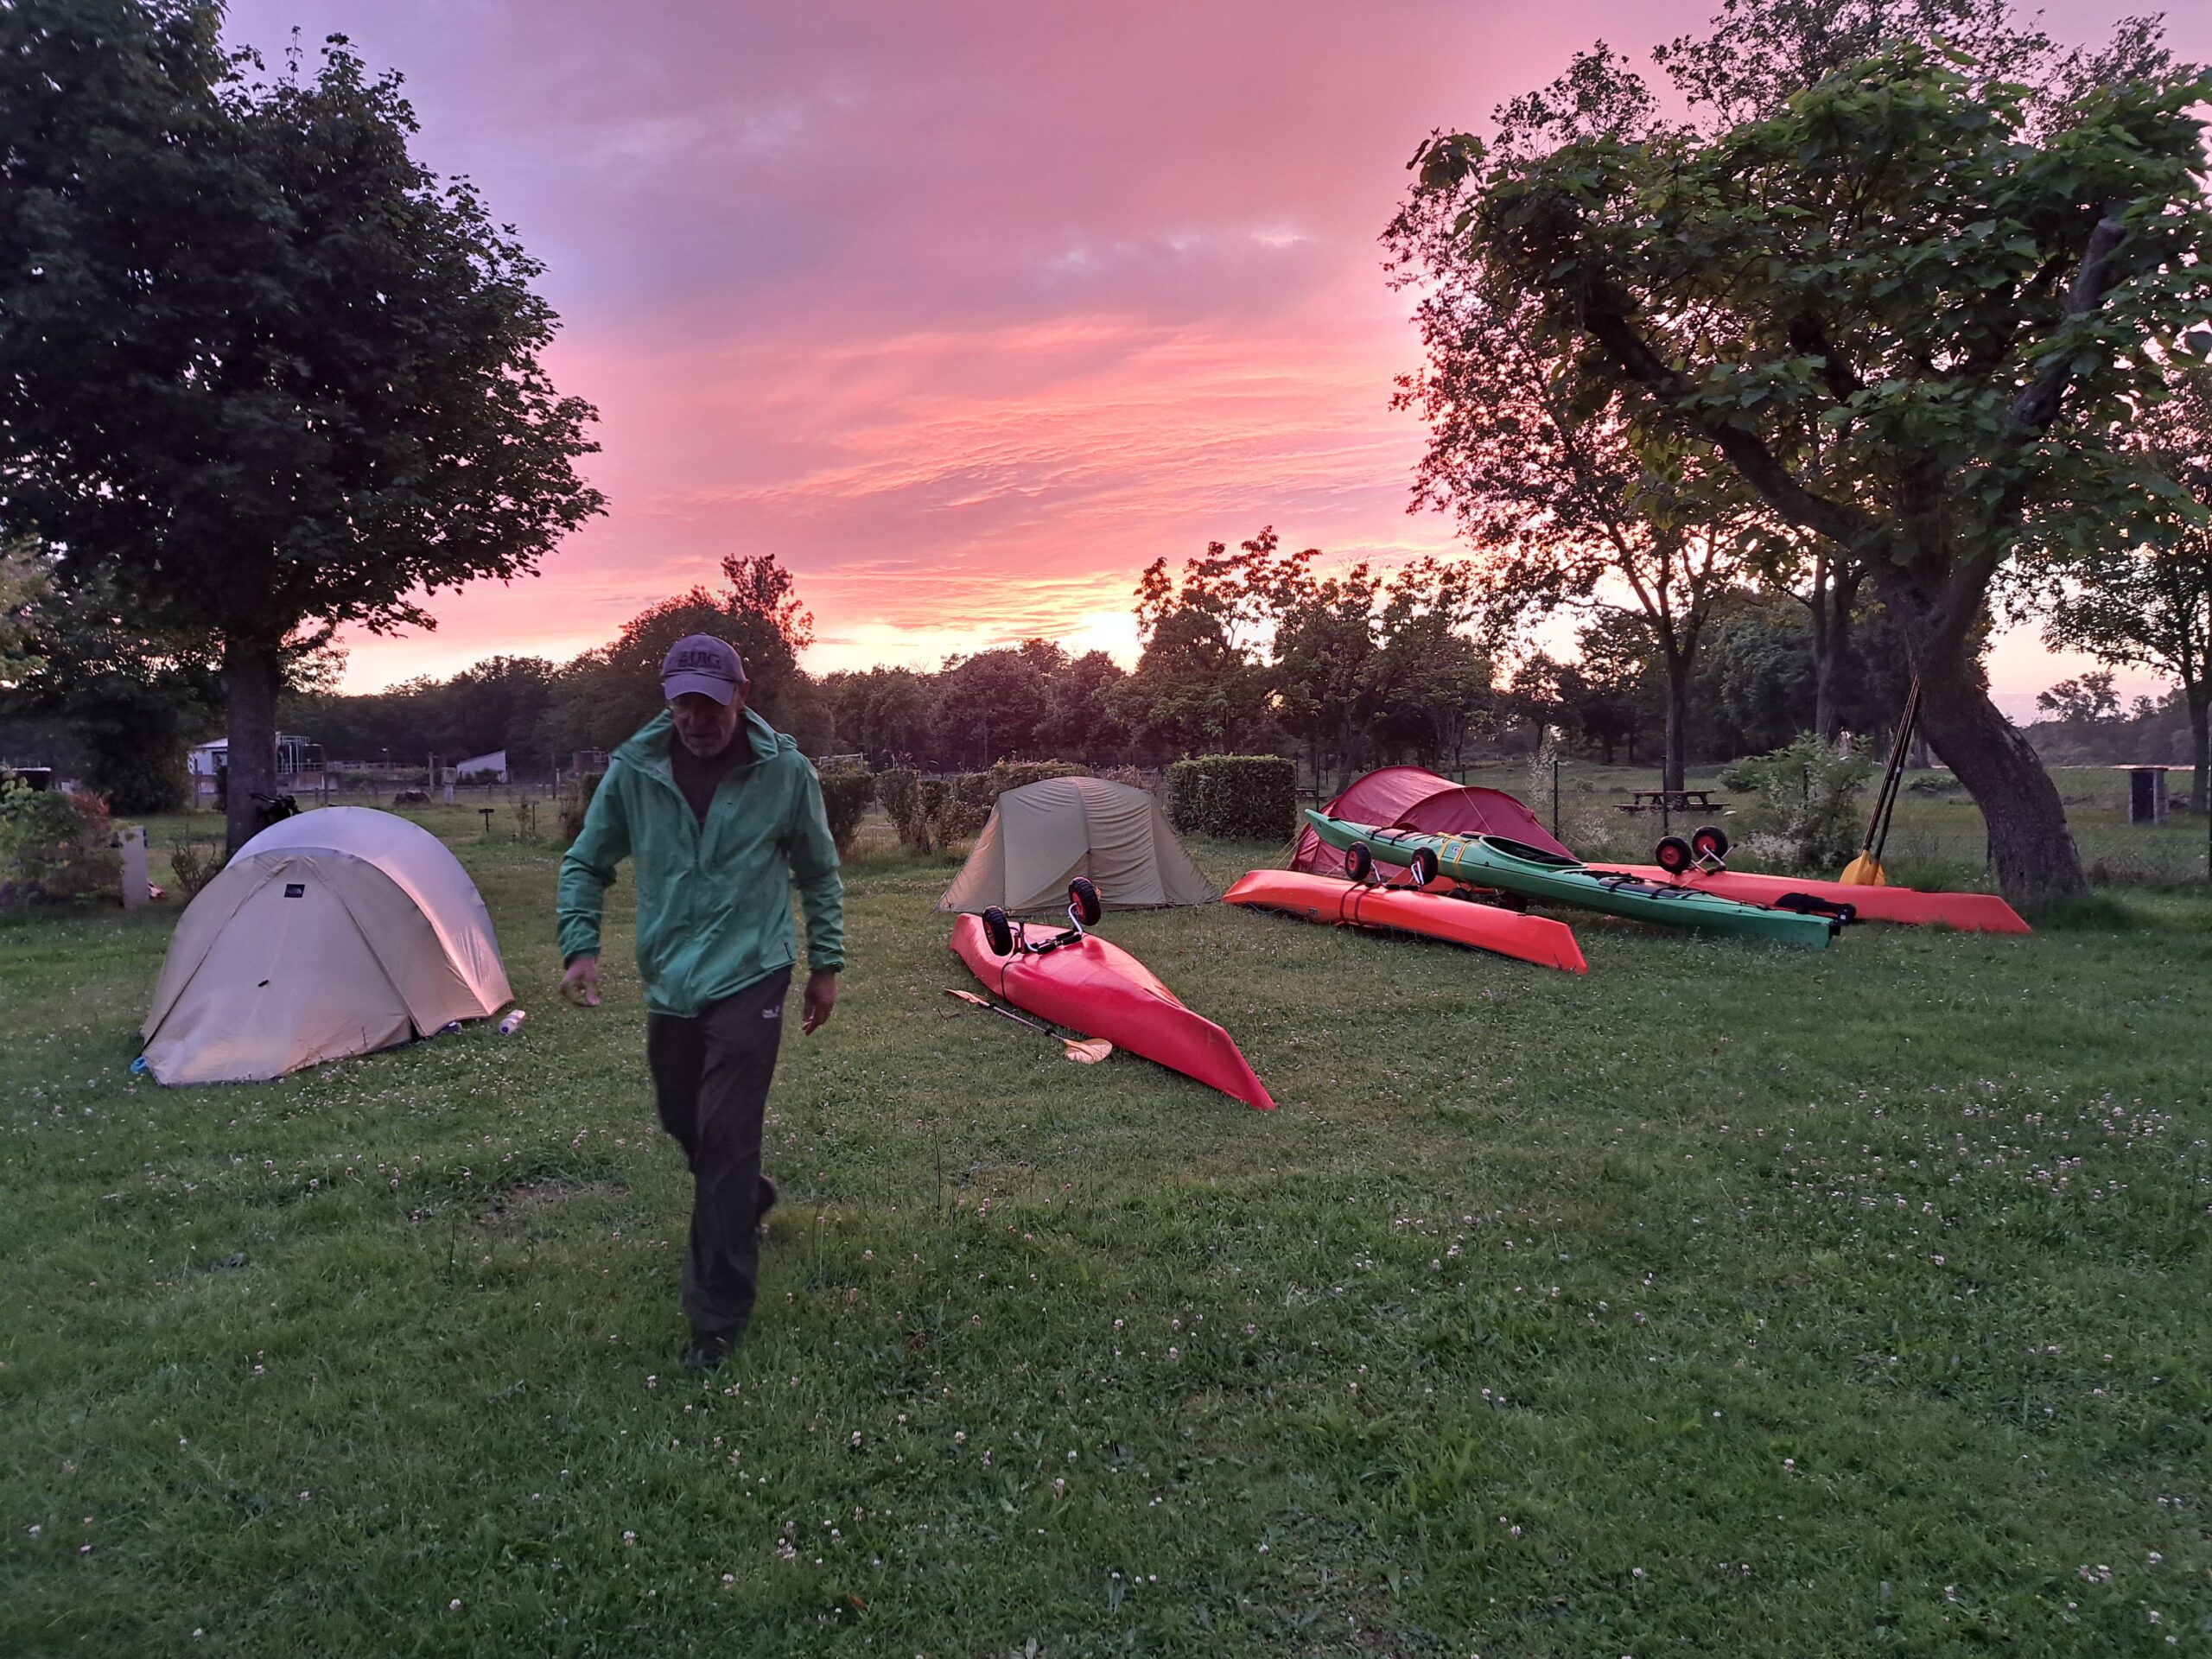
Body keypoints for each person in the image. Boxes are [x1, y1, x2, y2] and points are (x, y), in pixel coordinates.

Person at [556, 633, 843, 1370]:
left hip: (754, 970)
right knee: (681, 1117)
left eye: (711, 703)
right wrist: (580, 946)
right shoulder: (634, 771)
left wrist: (826, 964)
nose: (697, 717)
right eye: (683, 701)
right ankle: (744, 1198)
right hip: (672, 981)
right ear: (668, 699)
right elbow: (586, 861)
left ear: (740, 697)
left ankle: (715, 1314)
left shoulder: (786, 773)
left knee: (725, 1134)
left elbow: (818, 871)